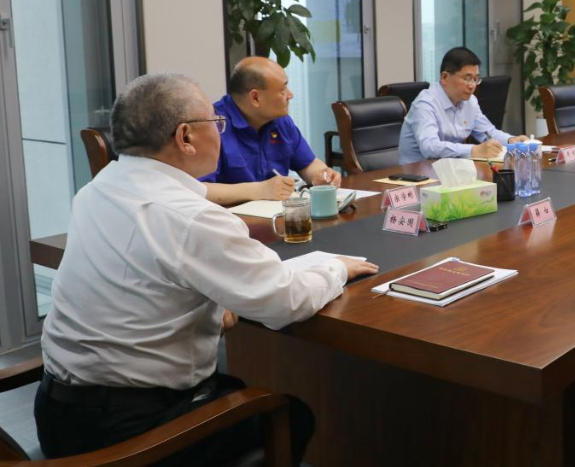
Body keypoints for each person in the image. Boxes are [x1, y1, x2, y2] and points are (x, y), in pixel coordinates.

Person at [35, 73, 379, 465]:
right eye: (216, 123)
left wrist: (212, 305)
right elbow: (285, 302)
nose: (221, 131)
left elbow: (145, 279)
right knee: (289, 414)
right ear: (185, 137)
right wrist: (335, 267)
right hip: (130, 432)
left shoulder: (98, 189)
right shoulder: (190, 216)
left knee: (235, 384)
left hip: (58, 412)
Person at [201, 57, 341, 205]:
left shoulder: (280, 120)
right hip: (230, 216)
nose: (290, 95)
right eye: (283, 90)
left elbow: (308, 164)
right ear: (255, 97)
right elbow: (199, 189)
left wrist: (321, 175)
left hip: (277, 213)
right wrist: (260, 190)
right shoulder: (211, 126)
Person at [398, 46, 528, 163]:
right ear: (444, 77)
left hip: (450, 170)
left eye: (475, 79)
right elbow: (430, 147)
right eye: (467, 78)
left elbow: (488, 132)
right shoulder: (425, 103)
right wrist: (474, 150)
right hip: (417, 174)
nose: (472, 85)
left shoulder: (470, 102)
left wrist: (511, 141)